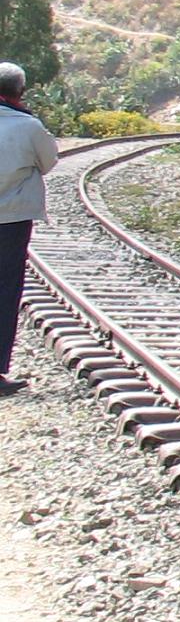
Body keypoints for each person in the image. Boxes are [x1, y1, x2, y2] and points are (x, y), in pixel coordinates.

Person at [0, 62, 59, 397]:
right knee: (5, 291)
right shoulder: (29, 126)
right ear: (19, 91)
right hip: (11, 221)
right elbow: (49, 162)